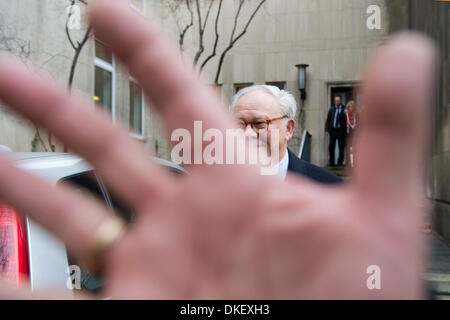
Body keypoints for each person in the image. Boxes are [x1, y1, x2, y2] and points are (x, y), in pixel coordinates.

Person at [0, 0, 437, 299]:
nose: (245, 134)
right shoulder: (194, 197)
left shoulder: (334, 194)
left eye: (258, 124)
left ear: (288, 128)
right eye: (237, 124)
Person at [231, 85, 342, 183]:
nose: (248, 133)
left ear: (288, 128)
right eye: (240, 124)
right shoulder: (214, 188)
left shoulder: (332, 190)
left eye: (259, 123)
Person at [325, 95, 347, 166]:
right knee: (331, 146)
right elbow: (328, 120)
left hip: (341, 130)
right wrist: (327, 130)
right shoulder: (331, 109)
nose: (337, 102)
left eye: (338, 101)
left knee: (341, 146)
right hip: (333, 130)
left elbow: (347, 120)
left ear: (340, 101)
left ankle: (340, 162)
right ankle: (331, 162)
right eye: (335, 101)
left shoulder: (344, 109)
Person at [345, 100, 358, 168]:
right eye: (349, 107)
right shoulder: (345, 114)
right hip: (347, 133)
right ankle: (348, 163)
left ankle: (355, 163)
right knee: (347, 148)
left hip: (355, 133)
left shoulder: (356, 114)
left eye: (352, 107)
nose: (351, 108)